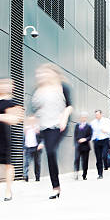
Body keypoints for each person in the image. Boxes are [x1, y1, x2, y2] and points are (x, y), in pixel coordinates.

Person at [32, 63, 73, 199]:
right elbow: (34, 109)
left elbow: (69, 106)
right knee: (49, 152)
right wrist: (35, 122)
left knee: (50, 151)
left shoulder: (62, 87)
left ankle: (56, 187)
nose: (41, 76)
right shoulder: (38, 90)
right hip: (43, 126)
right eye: (40, 74)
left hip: (58, 125)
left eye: (45, 73)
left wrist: (64, 118)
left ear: (53, 73)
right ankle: (56, 186)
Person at [90, 109, 110, 179]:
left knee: (104, 155)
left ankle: (106, 164)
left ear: (101, 114)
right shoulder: (93, 123)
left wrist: (105, 131)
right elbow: (90, 132)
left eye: (98, 114)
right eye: (95, 115)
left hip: (104, 140)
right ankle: (100, 174)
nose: (96, 116)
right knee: (98, 158)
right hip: (96, 141)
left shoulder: (107, 121)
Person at [74, 111, 92, 180]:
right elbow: (75, 135)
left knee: (85, 161)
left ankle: (84, 175)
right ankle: (76, 174)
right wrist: (76, 143)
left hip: (85, 147)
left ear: (86, 118)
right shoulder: (77, 125)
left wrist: (85, 139)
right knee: (77, 160)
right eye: (82, 117)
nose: (83, 118)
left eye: (84, 117)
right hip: (78, 146)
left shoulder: (88, 126)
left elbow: (90, 136)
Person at [23, 116, 41, 182]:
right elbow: (24, 139)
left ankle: (37, 177)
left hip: (36, 148)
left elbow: (42, 137)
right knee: (26, 163)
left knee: (37, 163)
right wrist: (23, 148)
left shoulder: (38, 128)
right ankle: (25, 176)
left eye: (32, 120)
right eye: (30, 120)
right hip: (28, 147)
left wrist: (41, 143)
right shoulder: (26, 129)